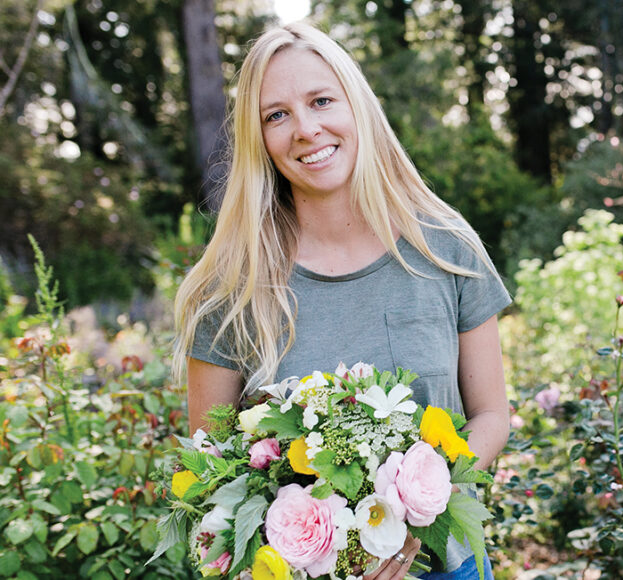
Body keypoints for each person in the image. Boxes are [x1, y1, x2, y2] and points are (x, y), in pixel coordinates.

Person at [172, 22, 510, 580]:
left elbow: (492, 415)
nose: (305, 129)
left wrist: (408, 518)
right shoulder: (231, 289)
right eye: (275, 115)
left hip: (445, 569)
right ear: (258, 139)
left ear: (357, 106)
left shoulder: (446, 248)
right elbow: (215, 469)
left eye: (321, 100)